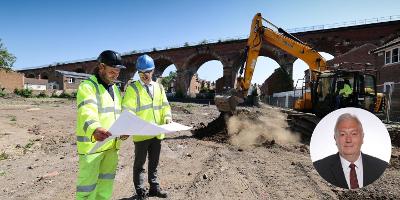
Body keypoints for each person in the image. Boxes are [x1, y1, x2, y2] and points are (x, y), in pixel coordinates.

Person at [75, 50, 128, 199]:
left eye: (118, 71)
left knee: (106, 184)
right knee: (87, 187)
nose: (116, 74)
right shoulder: (88, 87)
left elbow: (118, 114)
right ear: (101, 67)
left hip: (111, 147)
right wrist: (95, 128)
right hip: (93, 146)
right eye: (112, 70)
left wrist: (124, 130)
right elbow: (86, 111)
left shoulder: (116, 90)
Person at [122, 54, 172, 200]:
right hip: (141, 134)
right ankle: (140, 192)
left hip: (157, 133)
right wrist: (128, 125)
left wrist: (167, 117)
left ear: (153, 71)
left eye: (147, 72)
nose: (144, 75)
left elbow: (165, 106)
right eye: (141, 72)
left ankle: (154, 188)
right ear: (138, 72)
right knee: (139, 165)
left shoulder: (159, 87)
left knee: (154, 163)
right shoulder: (133, 89)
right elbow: (128, 109)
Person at [313, 113, 388, 189]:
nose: (348, 140)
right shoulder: (320, 167)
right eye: (342, 134)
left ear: (362, 137)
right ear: (335, 138)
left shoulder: (380, 166)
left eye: (354, 134)